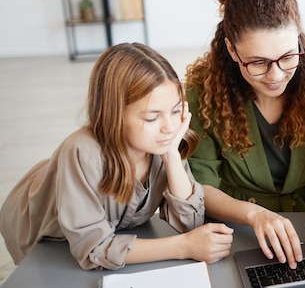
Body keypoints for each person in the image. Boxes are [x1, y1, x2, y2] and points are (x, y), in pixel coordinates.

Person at [185, 0, 305, 273]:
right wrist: (254, 215)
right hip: (238, 235)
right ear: (232, 49)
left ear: (300, 40)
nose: (276, 76)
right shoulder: (202, 92)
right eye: (258, 63)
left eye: (288, 56)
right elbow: (202, 184)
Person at [0, 43, 235, 270]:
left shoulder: (162, 142)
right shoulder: (81, 151)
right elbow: (93, 249)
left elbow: (189, 223)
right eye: (152, 118)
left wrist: (172, 156)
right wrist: (183, 247)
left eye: (175, 111)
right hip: (39, 232)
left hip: (101, 231)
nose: (169, 127)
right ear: (114, 114)